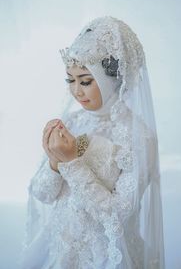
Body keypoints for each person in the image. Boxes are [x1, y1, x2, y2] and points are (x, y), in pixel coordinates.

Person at [19, 16, 165, 269]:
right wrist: (54, 162)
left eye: (85, 81)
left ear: (113, 78)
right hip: (61, 251)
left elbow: (116, 217)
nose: (76, 91)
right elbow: (42, 193)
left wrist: (72, 162)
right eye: (70, 80)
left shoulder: (138, 138)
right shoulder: (72, 122)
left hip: (106, 258)